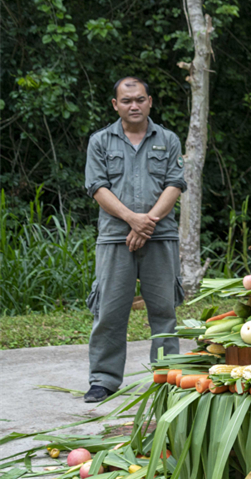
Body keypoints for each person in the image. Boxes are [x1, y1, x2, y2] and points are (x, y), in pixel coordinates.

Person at [83, 77, 187, 403]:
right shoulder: (100, 141)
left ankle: (166, 375)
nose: (134, 105)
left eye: (140, 99)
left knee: (164, 311)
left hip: (160, 237)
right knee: (110, 311)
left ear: (150, 102)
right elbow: (97, 188)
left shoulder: (168, 140)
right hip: (115, 239)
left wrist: (147, 224)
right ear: (115, 104)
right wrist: (132, 220)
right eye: (126, 100)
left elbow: (175, 184)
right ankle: (103, 379)